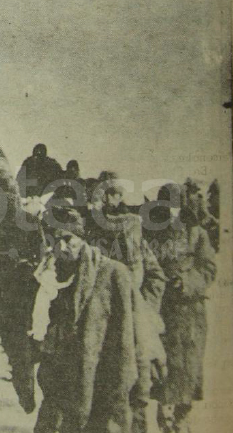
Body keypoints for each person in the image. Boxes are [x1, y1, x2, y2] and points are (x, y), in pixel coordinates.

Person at [33, 206, 138, 433]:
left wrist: (119, 388)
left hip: (97, 378)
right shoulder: (48, 277)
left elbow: (124, 339)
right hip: (59, 380)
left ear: (82, 238)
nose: (61, 247)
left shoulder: (112, 273)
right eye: (55, 241)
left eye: (68, 238)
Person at [84, 175, 168, 433]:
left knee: (136, 384)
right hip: (98, 321)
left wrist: (143, 308)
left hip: (132, 320)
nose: (113, 199)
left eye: (116, 195)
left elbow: (155, 277)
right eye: (110, 195)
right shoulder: (89, 237)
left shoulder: (132, 230)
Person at [147, 183, 217, 433]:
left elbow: (208, 268)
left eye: (175, 204)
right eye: (166, 204)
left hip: (190, 312)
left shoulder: (196, 233)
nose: (171, 210)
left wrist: (186, 281)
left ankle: (181, 417)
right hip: (162, 309)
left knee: (188, 368)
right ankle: (165, 417)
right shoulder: (151, 232)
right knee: (163, 367)